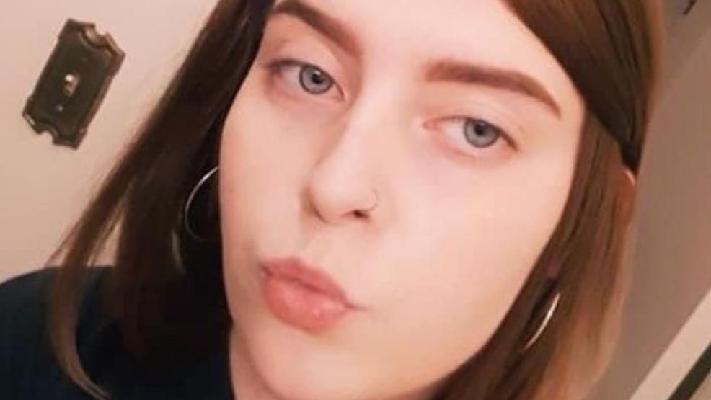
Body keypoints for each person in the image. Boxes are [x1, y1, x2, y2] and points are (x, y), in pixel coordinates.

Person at [0, 0, 663, 399]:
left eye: (475, 130)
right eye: (310, 76)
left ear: (581, 224)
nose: (333, 184)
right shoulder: (39, 344)